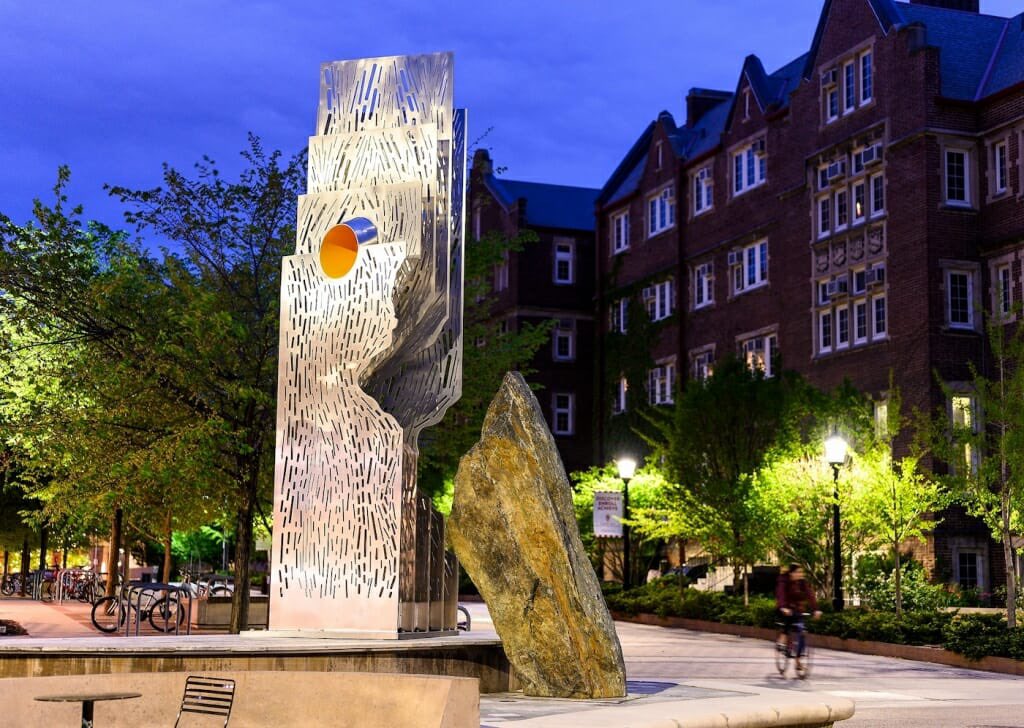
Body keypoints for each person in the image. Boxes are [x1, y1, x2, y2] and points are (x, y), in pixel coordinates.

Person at [775, 563, 822, 660]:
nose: (800, 574)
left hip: (797, 609)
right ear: (791, 573)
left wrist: (816, 609)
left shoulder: (802, 582)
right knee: (788, 618)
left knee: (801, 631)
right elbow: (781, 594)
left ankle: (798, 659)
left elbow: (810, 595)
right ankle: (782, 639)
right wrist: (783, 607)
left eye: (801, 572)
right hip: (784, 608)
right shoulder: (784, 580)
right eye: (798, 572)